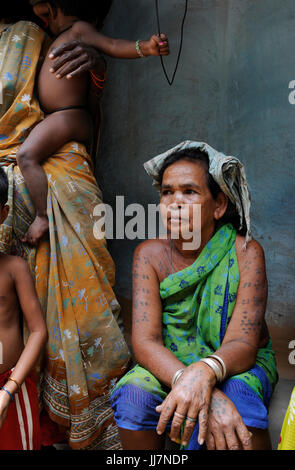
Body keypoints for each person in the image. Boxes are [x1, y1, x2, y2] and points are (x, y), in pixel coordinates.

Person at [0, 6, 131, 449]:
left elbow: (72, 104)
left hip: (57, 170)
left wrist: (97, 75)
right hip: (20, 174)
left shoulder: (27, 38)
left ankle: (97, 419)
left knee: (86, 299)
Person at [111, 141, 278, 450]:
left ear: (219, 205)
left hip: (232, 362)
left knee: (239, 402)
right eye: (166, 192)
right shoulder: (149, 255)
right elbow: (146, 342)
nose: (175, 202)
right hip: (171, 363)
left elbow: (243, 344)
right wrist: (192, 382)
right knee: (134, 396)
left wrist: (207, 372)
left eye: (189, 192)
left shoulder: (244, 253)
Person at [16, 0, 169, 246]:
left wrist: (146, 48)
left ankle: (42, 217)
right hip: (62, 116)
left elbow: (113, 45)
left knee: (26, 156)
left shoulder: (79, 30)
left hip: (69, 115)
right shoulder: (61, 34)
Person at [0, 167, 48, 450]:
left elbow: (38, 331)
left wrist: (9, 390)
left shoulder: (14, 269)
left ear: (3, 213)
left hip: (10, 387)